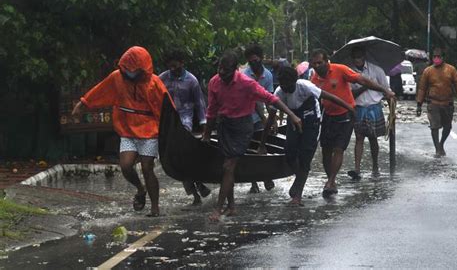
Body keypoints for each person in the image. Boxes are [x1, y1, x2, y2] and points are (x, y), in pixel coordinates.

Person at [202, 50, 302, 222]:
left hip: (242, 127)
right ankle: (231, 206)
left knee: (228, 166)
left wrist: (291, 115)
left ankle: (218, 209)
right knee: (227, 167)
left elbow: (271, 99)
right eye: (219, 68)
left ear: (234, 69)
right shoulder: (214, 82)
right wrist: (206, 134)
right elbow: (211, 111)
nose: (221, 72)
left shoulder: (246, 83)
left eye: (225, 69)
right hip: (224, 125)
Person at [71, 46, 168, 217]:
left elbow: (167, 110)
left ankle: (155, 207)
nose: (129, 73)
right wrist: (83, 104)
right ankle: (140, 189)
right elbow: (100, 90)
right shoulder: (117, 78)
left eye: (133, 71)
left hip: (149, 131)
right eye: (126, 70)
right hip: (127, 130)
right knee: (125, 166)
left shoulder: (154, 84)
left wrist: (169, 133)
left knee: (147, 167)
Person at [258, 67, 354, 206]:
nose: (286, 89)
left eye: (289, 86)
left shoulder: (305, 86)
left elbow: (329, 96)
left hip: (312, 122)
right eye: (283, 86)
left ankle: (298, 196)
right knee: (289, 153)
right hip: (294, 121)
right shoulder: (279, 93)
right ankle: (300, 178)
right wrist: (262, 145)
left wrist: (349, 108)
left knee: (305, 156)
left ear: (295, 82)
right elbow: (270, 118)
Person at [309, 49, 395, 197]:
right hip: (328, 116)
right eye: (314, 63)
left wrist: (385, 91)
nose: (317, 66)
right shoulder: (314, 80)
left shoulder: (341, 69)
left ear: (327, 61)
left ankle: (331, 180)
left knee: (339, 148)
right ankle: (332, 180)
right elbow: (311, 99)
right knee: (326, 150)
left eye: (320, 62)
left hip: (347, 114)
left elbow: (362, 80)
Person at [159, 49, 211, 205]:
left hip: (185, 124)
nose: (173, 70)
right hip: (167, 125)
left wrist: (204, 127)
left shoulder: (192, 81)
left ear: (182, 63)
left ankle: (197, 186)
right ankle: (196, 189)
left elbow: (200, 105)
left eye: (176, 66)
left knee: (184, 158)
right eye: (170, 67)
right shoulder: (162, 79)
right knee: (176, 161)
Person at [348, 46, 391, 180]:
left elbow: (386, 90)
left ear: (364, 56)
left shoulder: (376, 70)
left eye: (360, 57)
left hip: (374, 107)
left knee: (373, 138)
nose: (358, 60)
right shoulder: (349, 72)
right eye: (355, 57)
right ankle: (357, 169)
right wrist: (366, 85)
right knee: (359, 138)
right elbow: (350, 94)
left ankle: (375, 167)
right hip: (359, 108)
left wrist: (392, 111)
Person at [416, 48, 457, 158]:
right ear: (432, 58)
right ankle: (437, 149)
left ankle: (441, 143)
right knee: (434, 127)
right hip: (433, 103)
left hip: (447, 103)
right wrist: (419, 104)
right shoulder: (428, 71)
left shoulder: (451, 70)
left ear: (443, 58)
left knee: (447, 127)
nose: (436, 59)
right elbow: (422, 88)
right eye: (434, 56)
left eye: (438, 56)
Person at [243, 43, 275, 194]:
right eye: (251, 61)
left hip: (259, 116)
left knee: (262, 146)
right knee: (248, 150)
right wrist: (264, 117)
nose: (254, 64)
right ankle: (254, 182)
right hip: (244, 116)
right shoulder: (244, 75)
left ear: (261, 59)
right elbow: (251, 99)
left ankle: (266, 175)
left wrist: (272, 119)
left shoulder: (268, 75)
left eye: (256, 60)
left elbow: (269, 98)